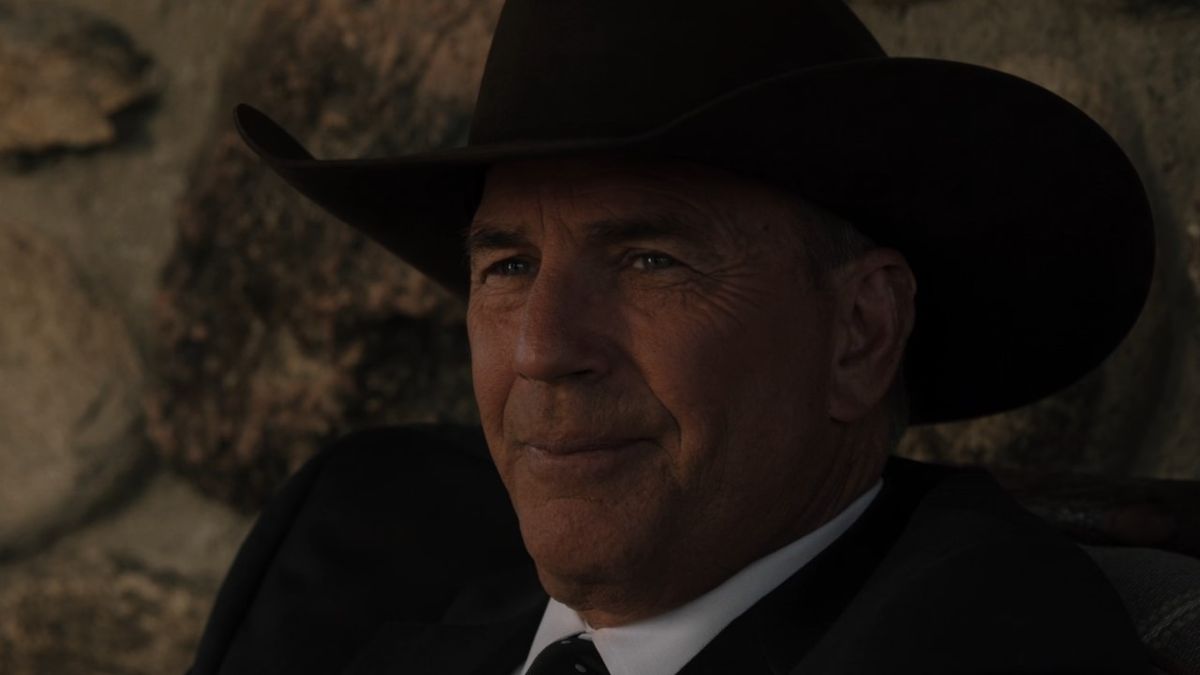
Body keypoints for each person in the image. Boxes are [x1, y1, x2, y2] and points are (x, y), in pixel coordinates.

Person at [197, 0, 1157, 672]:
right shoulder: (352, 556)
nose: (540, 349)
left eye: (649, 260)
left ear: (860, 334)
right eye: (507, 266)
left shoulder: (986, 636)